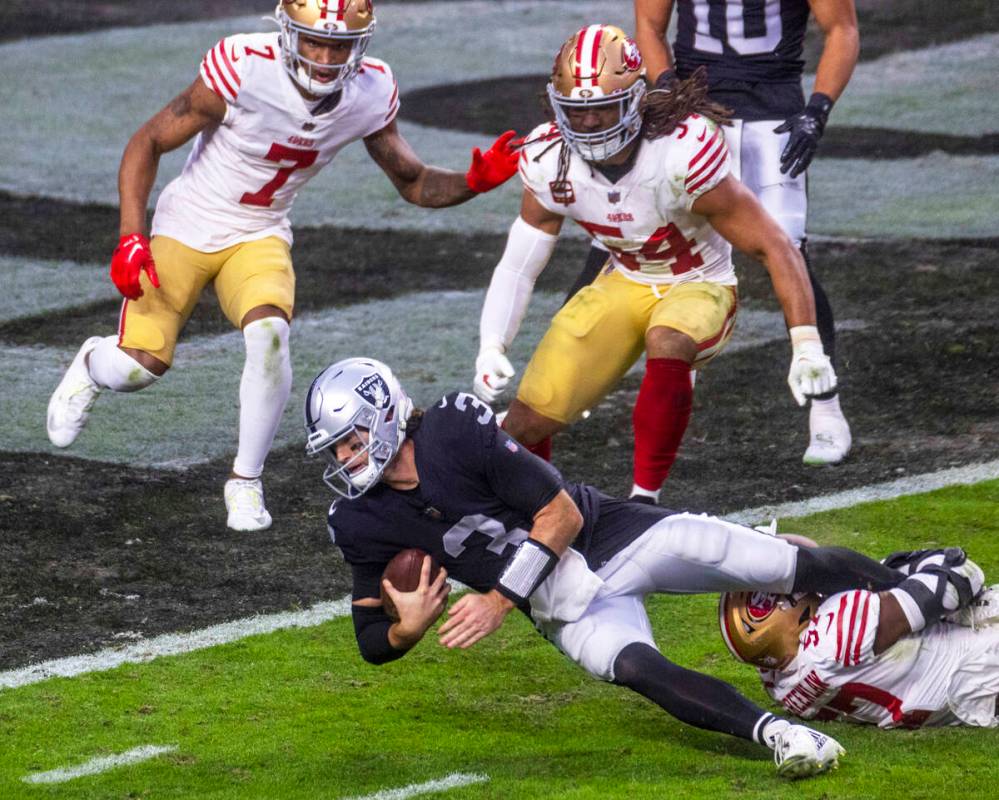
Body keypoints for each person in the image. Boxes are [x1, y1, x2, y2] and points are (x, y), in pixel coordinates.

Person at [303, 356, 984, 777]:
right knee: (634, 669)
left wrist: (498, 600)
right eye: (335, 451)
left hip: (612, 534)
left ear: (387, 413)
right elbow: (369, 640)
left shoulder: (452, 426)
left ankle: (936, 591)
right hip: (560, 602)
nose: (346, 461)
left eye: (352, 441)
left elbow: (561, 513)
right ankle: (782, 737)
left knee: (784, 564)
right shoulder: (356, 520)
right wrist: (406, 630)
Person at [45, 0, 521, 532]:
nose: (322, 56)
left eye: (337, 45)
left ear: (360, 46)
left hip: (261, 231)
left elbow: (412, 181)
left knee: (270, 333)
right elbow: (148, 141)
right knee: (139, 368)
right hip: (187, 223)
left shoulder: (369, 91)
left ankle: (244, 479)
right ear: (287, 32)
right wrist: (131, 236)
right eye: (313, 41)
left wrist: (470, 183)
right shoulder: (244, 66)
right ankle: (91, 362)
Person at [470, 24, 835, 506]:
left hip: (699, 282)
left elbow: (775, 245)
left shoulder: (680, 152)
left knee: (668, 338)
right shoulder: (549, 157)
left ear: (636, 101)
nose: (590, 124)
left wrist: (806, 341)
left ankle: (644, 500)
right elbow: (518, 266)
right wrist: (492, 343)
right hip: (625, 280)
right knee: (525, 421)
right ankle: (539, 515)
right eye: (577, 113)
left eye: (603, 108)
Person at [624, 0, 858, 466]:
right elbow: (649, 25)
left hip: (774, 113)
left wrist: (817, 109)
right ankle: (566, 397)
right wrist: (668, 87)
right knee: (642, 247)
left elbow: (842, 29)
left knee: (789, 254)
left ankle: (826, 406)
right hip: (696, 112)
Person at [721, 549, 999, 728]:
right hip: (986, 662)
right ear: (787, 613)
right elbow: (958, 577)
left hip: (960, 697)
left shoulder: (780, 683)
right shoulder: (838, 628)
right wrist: (912, 567)